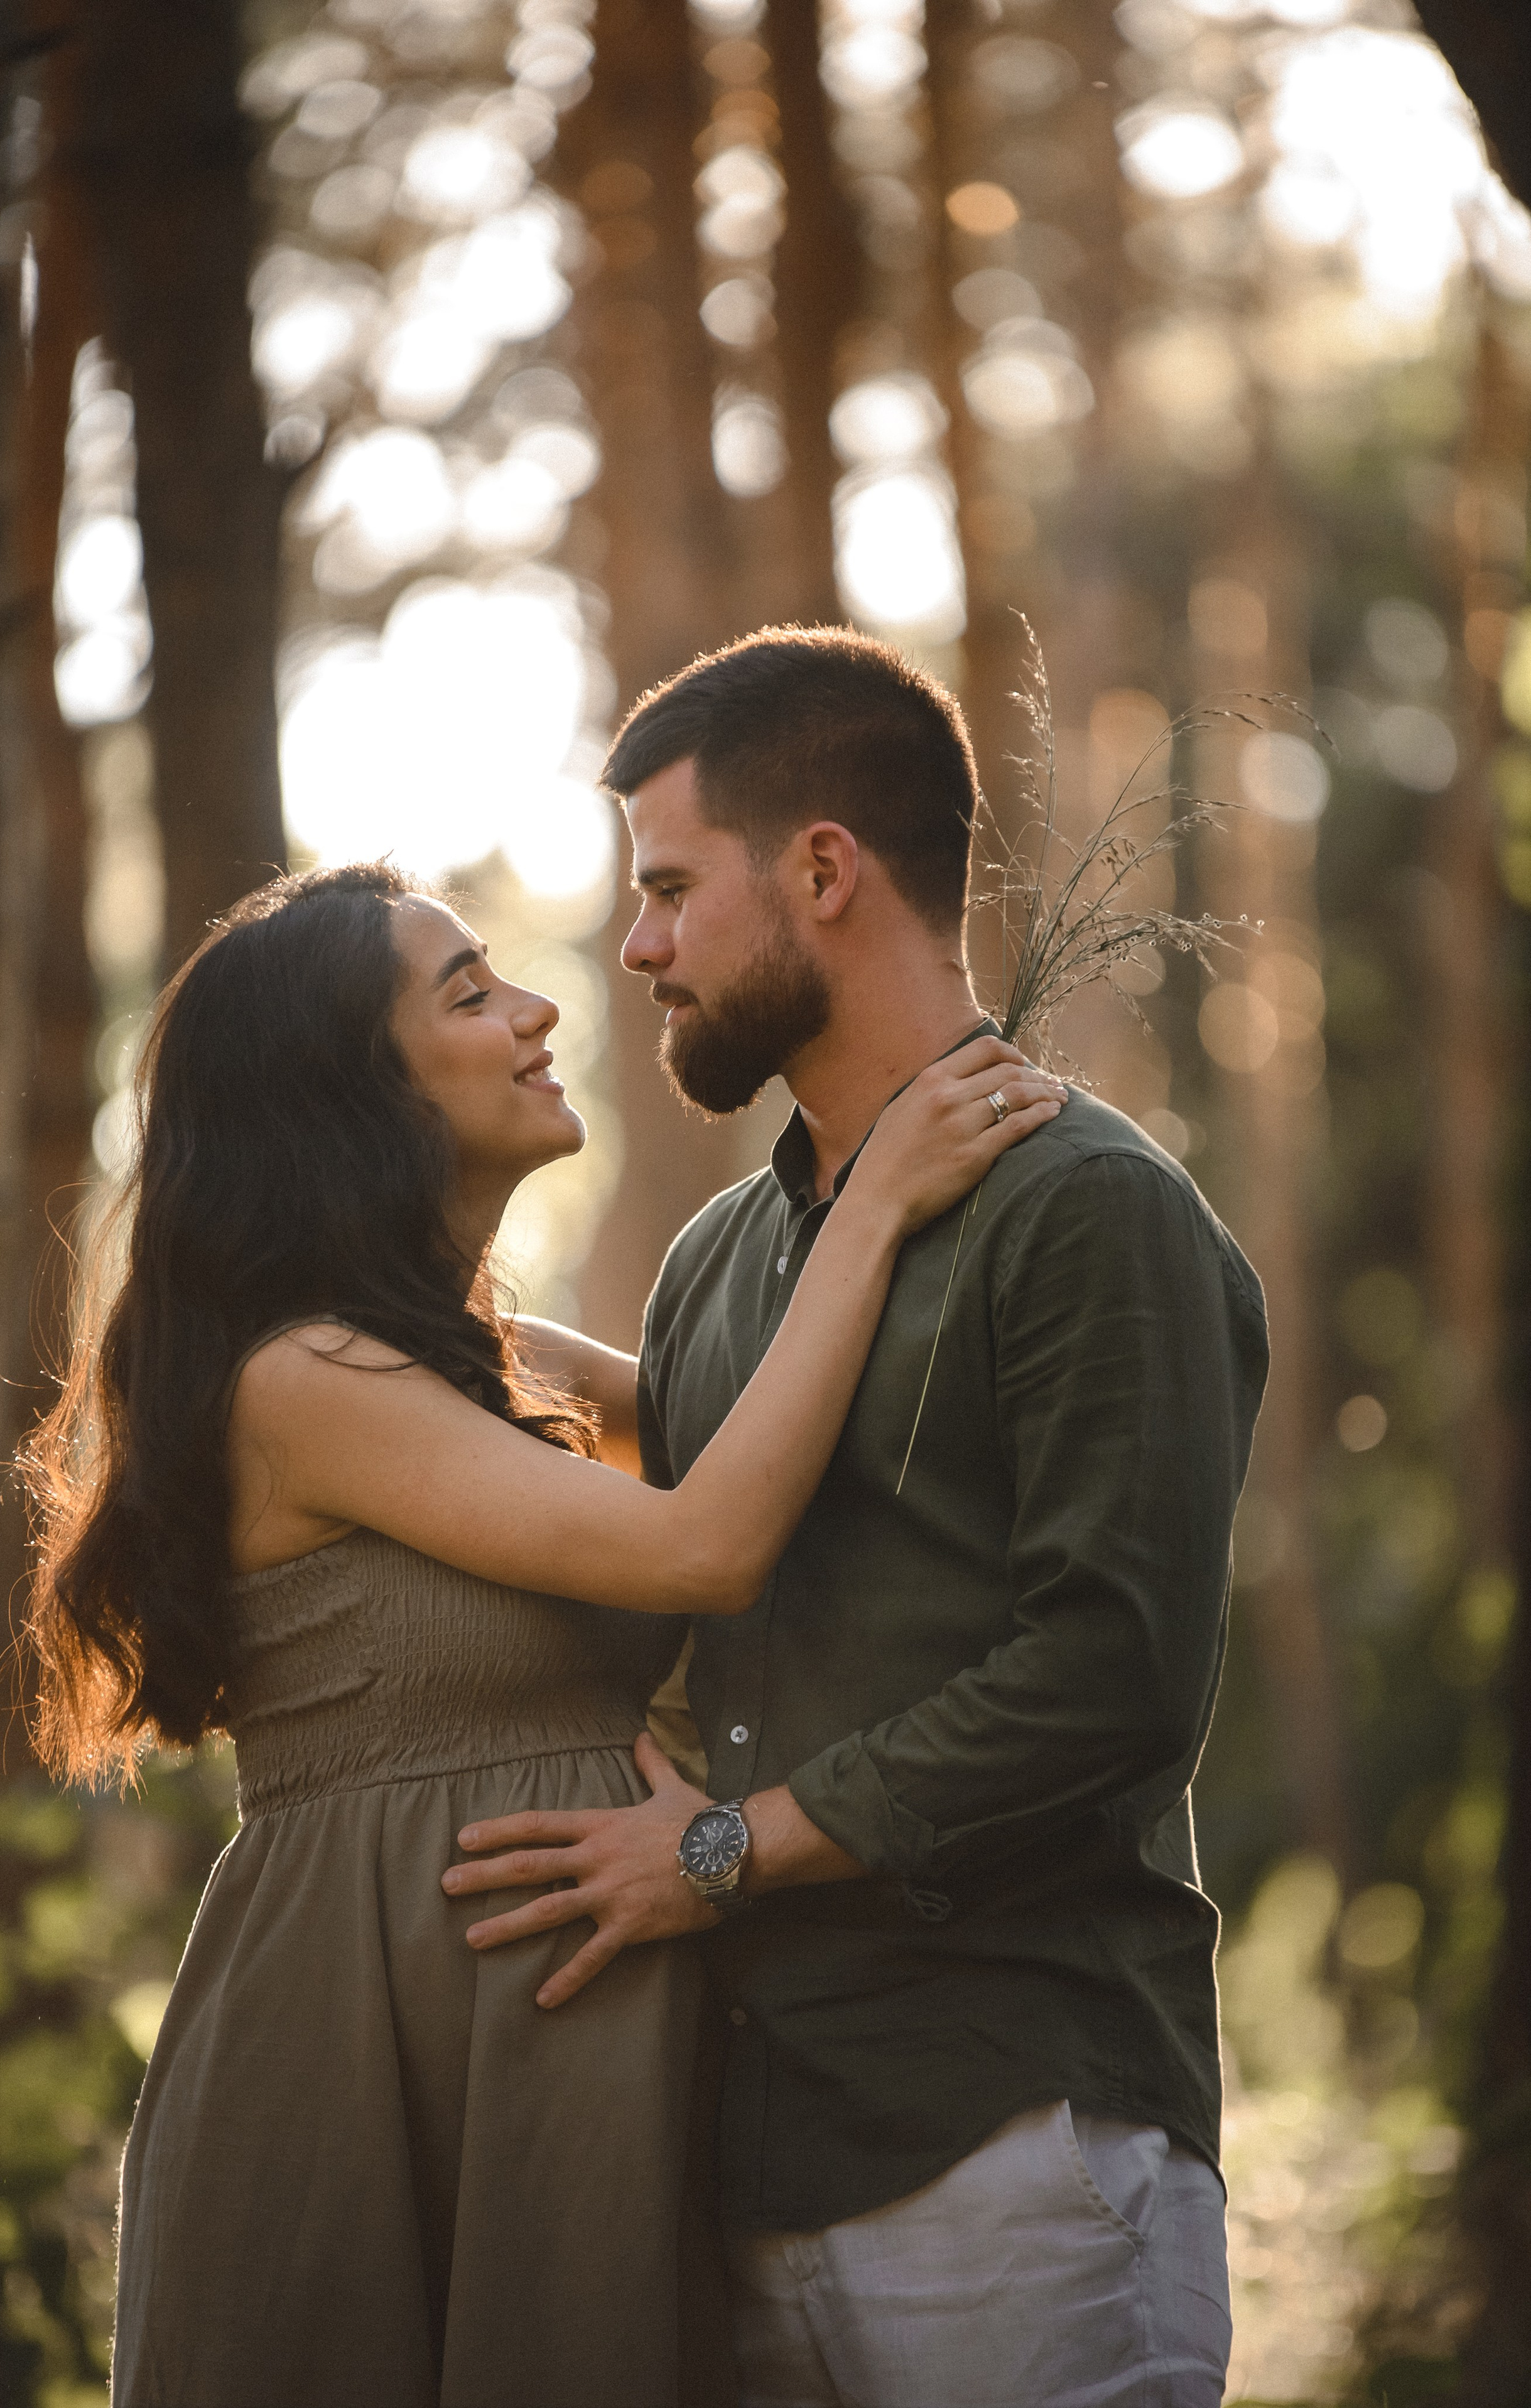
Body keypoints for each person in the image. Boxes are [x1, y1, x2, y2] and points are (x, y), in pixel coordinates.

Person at [19, 858, 1060, 2408]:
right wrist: (884, 1199)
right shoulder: (304, 1377)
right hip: (373, 2037)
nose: (537, 1008)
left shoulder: (482, 1357)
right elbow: (706, 1540)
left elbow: (768, 1432)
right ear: (348, 1094)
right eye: (467, 991)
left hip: (562, 2036)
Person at [441, 627, 1271, 2408]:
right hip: (737, 2163)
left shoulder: (1089, 1212)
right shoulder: (717, 1265)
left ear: (823, 868)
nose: (638, 945)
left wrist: (724, 1848)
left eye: (669, 888)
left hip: (1012, 2149)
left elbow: (1112, 1675)